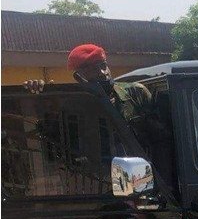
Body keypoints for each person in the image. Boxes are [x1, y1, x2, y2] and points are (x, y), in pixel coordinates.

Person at [23, 44, 154, 150]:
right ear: (78, 77)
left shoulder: (137, 92)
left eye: (103, 65)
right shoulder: (71, 107)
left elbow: (162, 138)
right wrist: (39, 95)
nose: (103, 73)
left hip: (142, 174)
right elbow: (52, 139)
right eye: (93, 69)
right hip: (97, 179)